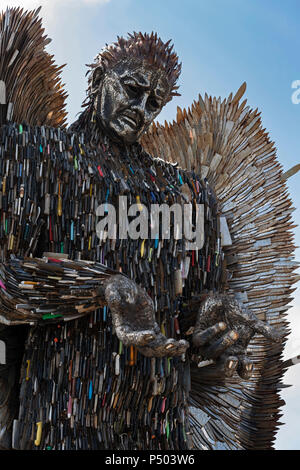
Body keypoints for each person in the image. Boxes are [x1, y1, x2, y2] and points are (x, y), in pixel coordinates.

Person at [0, 29, 281, 450]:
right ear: (98, 79)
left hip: (161, 425)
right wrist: (100, 287)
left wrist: (214, 313)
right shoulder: (34, 152)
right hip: (60, 413)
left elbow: (197, 303)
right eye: (132, 90)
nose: (142, 109)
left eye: (155, 102)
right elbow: (5, 280)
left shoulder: (188, 193)